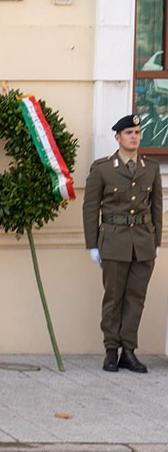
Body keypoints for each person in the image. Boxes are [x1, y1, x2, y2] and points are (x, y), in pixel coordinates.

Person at [82, 114, 162, 373]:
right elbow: (90, 208)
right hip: (114, 241)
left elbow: (156, 207)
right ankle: (111, 350)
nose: (134, 137)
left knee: (136, 298)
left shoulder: (150, 168)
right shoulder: (103, 168)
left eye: (137, 132)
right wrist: (93, 245)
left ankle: (128, 351)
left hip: (143, 242)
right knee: (114, 297)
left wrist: (156, 241)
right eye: (129, 133)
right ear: (118, 137)